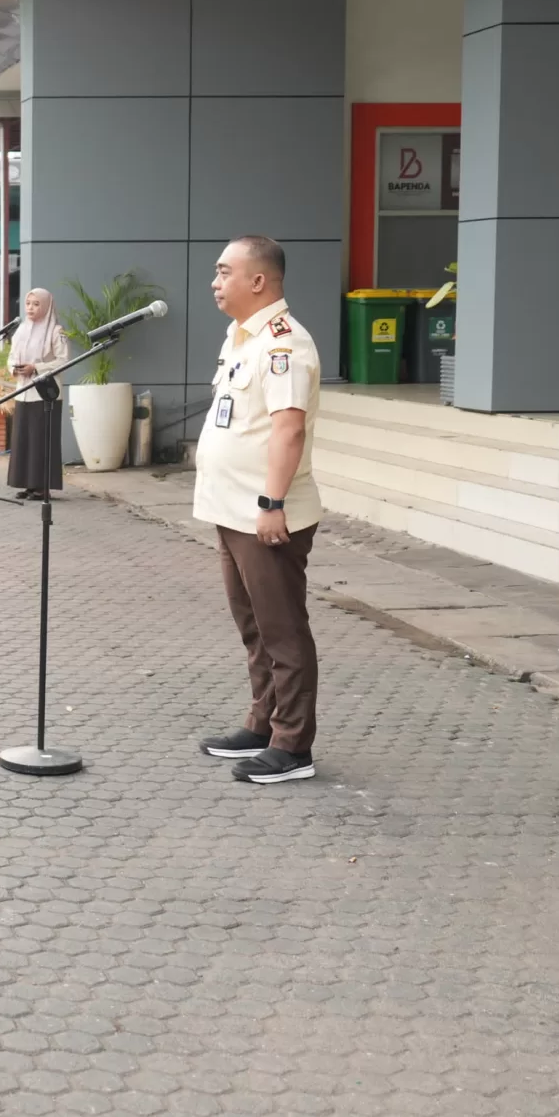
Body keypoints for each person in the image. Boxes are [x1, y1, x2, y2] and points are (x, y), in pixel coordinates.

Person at [194, 234, 325, 786]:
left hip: (264, 514)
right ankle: (262, 721)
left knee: (282, 629)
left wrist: (273, 503)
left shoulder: (283, 344)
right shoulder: (239, 338)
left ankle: (293, 746)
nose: (215, 282)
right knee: (253, 627)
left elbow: (287, 429)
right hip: (230, 510)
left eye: (225, 273)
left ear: (258, 281)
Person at [4, 287, 70, 500]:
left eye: (36, 304)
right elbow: (12, 356)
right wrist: (14, 368)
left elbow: (63, 361)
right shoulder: (21, 329)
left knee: (41, 441)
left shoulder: (55, 331)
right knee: (23, 439)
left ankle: (42, 487)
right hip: (23, 393)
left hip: (44, 395)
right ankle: (27, 484)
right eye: (28, 304)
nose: (31, 308)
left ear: (46, 306)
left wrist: (36, 367)